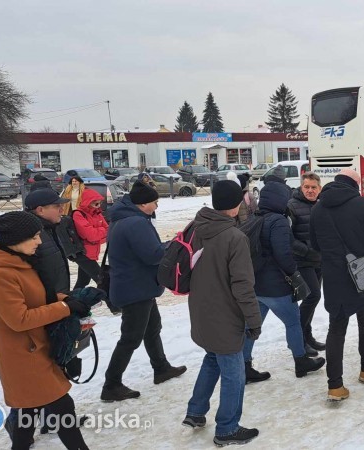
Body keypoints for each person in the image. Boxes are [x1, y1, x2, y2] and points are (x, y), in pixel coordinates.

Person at [0, 211, 93, 450]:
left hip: (37, 350)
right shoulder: (0, 274)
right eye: (34, 237)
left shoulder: (20, 262)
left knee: (28, 415)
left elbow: (35, 300)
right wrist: (64, 308)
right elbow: (19, 318)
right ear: (16, 238)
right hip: (25, 356)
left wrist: (67, 299)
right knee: (62, 409)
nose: (39, 241)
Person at [183, 180, 262, 446]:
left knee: (212, 359)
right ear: (236, 204)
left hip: (201, 309)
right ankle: (227, 428)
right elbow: (243, 286)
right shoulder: (234, 237)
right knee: (234, 372)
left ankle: (195, 411)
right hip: (226, 315)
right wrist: (253, 320)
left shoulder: (197, 226)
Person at [102, 181, 186, 401]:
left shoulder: (123, 219)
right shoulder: (135, 223)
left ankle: (161, 368)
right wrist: (174, 245)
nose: (156, 207)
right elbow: (153, 255)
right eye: (155, 202)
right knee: (130, 338)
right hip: (135, 288)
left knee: (152, 329)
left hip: (138, 286)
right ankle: (111, 384)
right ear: (143, 204)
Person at [310, 169, 364, 402]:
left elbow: (314, 244)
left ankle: (335, 386)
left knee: (336, 328)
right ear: (355, 183)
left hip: (334, 276)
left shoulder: (317, 208)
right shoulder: (363, 205)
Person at [241, 180, 325, 382]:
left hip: (257, 284)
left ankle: (244, 365)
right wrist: (293, 272)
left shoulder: (255, 218)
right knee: (293, 322)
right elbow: (283, 253)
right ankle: (301, 360)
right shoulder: (278, 220)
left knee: (253, 326)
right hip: (276, 286)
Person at [287, 172, 326, 356]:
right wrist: (306, 250)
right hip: (302, 260)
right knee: (312, 296)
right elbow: (288, 237)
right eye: (306, 187)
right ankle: (299, 339)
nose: (310, 191)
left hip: (319, 260)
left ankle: (307, 336)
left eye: (313, 187)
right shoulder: (292, 206)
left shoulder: (322, 205)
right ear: (301, 187)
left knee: (313, 298)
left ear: (319, 189)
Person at [71, 189, 108, 289]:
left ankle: (75, 301)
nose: (99, 206)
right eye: (96, 203)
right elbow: (90, 235)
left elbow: (108, 230)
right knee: (102, 281)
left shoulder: (97, 213)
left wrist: (97, 233)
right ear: (87, 202)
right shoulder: (78, 214)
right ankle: (114, 304)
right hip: (82, 253)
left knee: (82, 282)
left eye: (100, 203)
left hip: (91, 252)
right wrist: (100, 232)